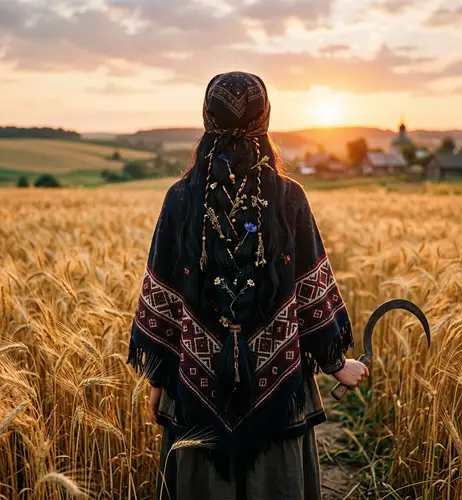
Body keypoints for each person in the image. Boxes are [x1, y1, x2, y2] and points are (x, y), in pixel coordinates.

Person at [127, 71, 369, 500]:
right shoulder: (290, 196)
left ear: (207, 118)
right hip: (276, 393)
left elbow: (162, 298)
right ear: (266, 121)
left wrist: (159, 383)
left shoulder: (179, 198)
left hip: (195, 393)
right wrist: (337, 366)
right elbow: (310, 289)